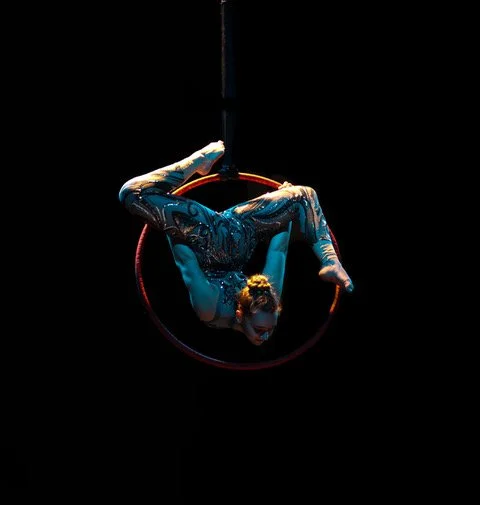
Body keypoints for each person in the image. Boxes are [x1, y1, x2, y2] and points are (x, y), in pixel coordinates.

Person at [118, 140, 353, 346]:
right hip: (242, 235)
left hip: (206, 236)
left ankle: (198, 161)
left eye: (261, 329)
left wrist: (170, 222)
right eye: (269, 329)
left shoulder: (209, 308)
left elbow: (186, 260)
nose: (265, 335)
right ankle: (329, 260)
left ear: (240, 315)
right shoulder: (268, 298)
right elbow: (278, 251)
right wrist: (285, 213)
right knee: (304, 195)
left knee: (132, 194)